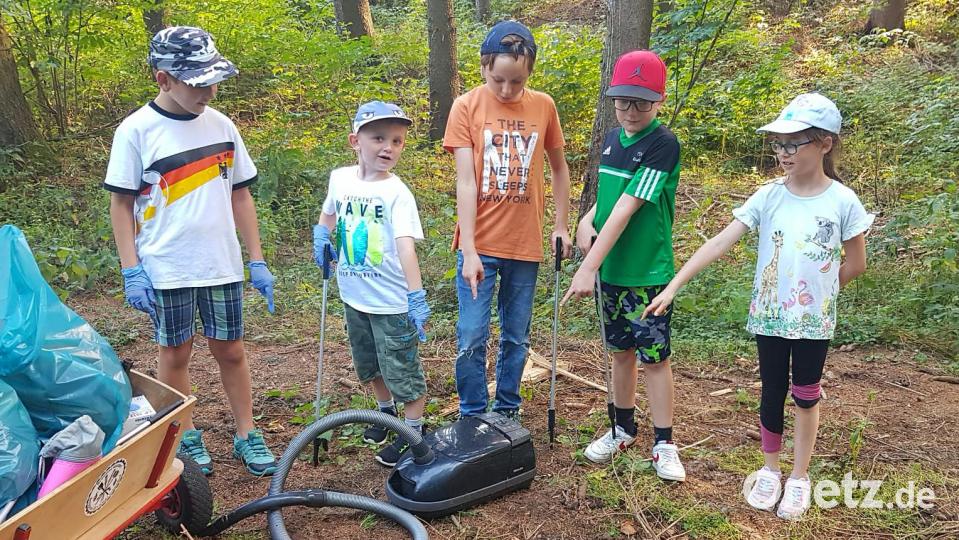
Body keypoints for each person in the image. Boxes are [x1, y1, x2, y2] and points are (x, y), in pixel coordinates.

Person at [642, 93, 873, 518]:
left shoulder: (843, 201)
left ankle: (800, 476)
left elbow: (855, 263)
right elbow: (720, 241)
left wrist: (824, 291)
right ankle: (770, 469)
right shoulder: (768, 197)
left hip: (813, 323)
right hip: (769, 316)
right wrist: (674, 285)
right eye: (778, 144)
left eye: (793, 144)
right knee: (772, 390)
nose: (783, 153)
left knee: (806, 393)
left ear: (825, 143)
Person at [104, 26, 278, 476]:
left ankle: (246, 433)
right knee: (175, 352)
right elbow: (121, 203)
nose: (209, 90)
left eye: (213, 80)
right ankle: (186, 433)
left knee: (232, 350)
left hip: (220, 263)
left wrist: (255, 258)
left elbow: (241, 194)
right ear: (163, 79)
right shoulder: (136, 131)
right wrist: (131, 269)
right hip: (166, 268)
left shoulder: (222, 126)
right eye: (197, 82)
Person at [563, 50, 686, 482]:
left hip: (646, 274)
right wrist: (584, 219)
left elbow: (630, 208)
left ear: (659, 100)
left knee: (655, 358)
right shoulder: (613, 139)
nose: (631, 111)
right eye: (623, 101)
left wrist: (586, 267)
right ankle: (622, 428)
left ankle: (664, 442)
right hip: (611, 273)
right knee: (620, 353)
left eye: (642, 102)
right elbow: (611, 198)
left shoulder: (662, 145)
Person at [442, 20, 572, 422]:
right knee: (471, 334)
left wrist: (561, 225)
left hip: (525, 244)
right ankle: (471, 414)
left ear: (529, 73)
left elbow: (560, 169)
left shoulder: (543, 106)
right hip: (480, 245)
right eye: (498, 79)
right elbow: (466, 180)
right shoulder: (466, 106)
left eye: (516, 82)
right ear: (484, 68)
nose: (506, 90)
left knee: (516, 336)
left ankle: (507, 412)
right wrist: (468, 249)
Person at [313, 101, 431, 467]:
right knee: (370, 365)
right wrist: (322, 233)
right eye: (378, 138)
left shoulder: (397, 193)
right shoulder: (340, 178)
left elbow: (405, 245)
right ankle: (386, 415)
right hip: (354, 294)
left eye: (396, 141)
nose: (388, 148)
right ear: (355, 141)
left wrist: (415, 295)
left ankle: (414, 432)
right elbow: (330, 211)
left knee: (403, 371)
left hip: (391, 301)